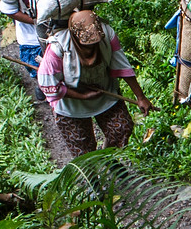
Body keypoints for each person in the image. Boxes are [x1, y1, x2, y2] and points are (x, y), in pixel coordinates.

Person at [37, 9, 154, 157]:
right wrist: (84, 96)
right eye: (87, 45)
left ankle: (109, 160)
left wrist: (140, 97)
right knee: (82, 147)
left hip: (105, 93)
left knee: (121, 128)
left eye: (95, 44)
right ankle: (92, 176)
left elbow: (122, 66)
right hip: (71, 105)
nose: (92, 48)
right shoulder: (58, 47)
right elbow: (49, 86)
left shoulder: (107, 35)